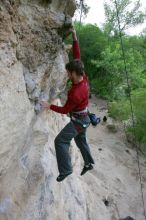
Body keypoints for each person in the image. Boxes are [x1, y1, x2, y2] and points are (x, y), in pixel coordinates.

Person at [41, 28, 94, 182]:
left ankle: (65, 170)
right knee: (80, 140)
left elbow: (64, 110)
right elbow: (77, 57)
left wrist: (48, 105)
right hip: (84, 119)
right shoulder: (83, 77)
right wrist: (75, 37)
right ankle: (89, 162)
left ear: (73, 73)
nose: (67, 74)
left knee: (60, 141)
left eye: (68, 73)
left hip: (79, 121)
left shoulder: (75, 93)